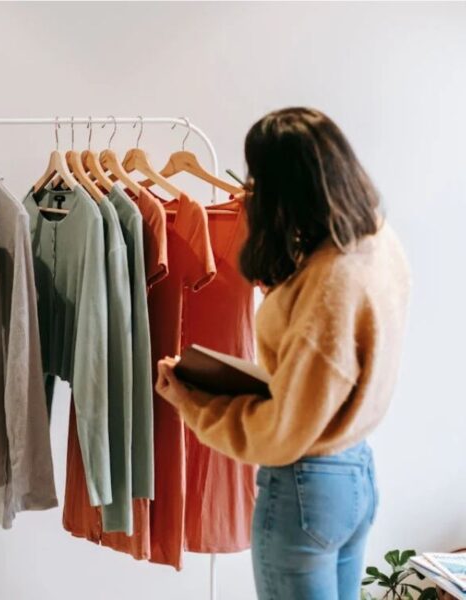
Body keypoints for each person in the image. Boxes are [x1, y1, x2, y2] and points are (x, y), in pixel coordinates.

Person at [156, 107, 411, 600]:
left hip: (305, 486)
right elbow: (325, 381)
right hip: (355, 474)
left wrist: (192, 401)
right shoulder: (376, 243)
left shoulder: (327, 285)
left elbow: (283, 434)